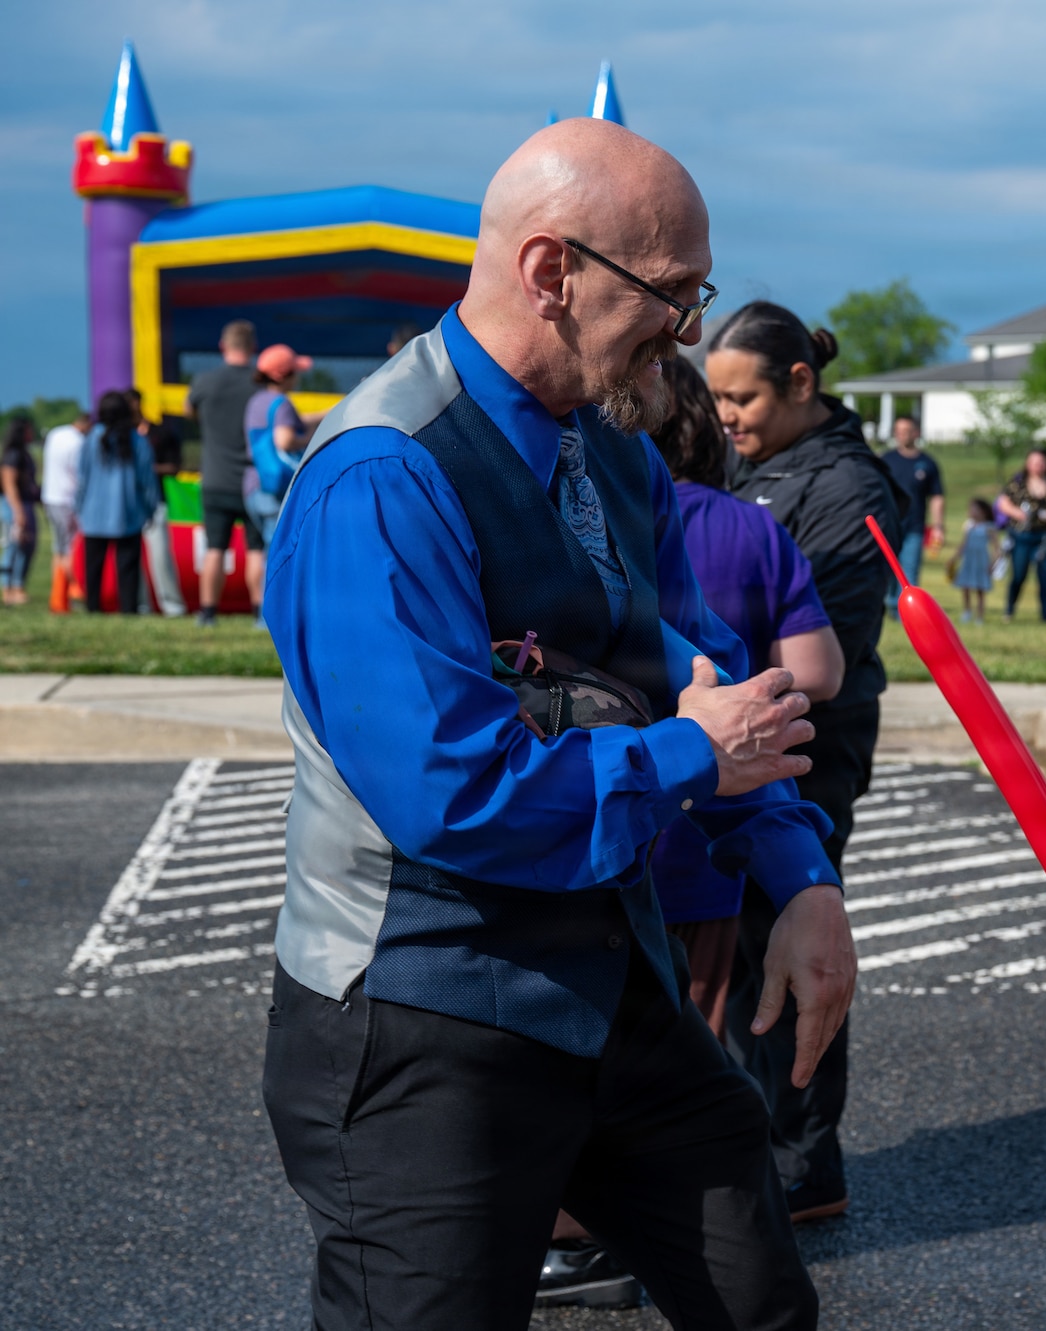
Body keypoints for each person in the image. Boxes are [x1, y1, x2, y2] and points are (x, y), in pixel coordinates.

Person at [259, 118, 849, 1330]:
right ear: (549, 273)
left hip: (607, 982)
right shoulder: (381, 474)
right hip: (422, 1012)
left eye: (700, 295)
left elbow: (706, 672)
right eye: (671, 295)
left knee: (761, 1301)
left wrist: (796, 874)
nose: (688, 332)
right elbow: (449, 792)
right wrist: (690, 752)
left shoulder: (611, 449)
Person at [540, 353, 845, 1310]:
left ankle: (588, 1239)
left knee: (620, 1064)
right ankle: (646, 1234)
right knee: (700, 1038)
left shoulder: (594, 505)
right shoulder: (752, 529)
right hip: (693, 848)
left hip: (625, 845)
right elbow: (810, 673)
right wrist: (722, 733)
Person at [711, 300, 905, 1223]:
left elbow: (822, 646)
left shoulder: (850, 488)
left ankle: (803, 1161)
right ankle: (756, 1135)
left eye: (741, 397)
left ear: (801, 383)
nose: (725, 417)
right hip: (741, 727)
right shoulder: (751, 460)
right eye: (713, 399)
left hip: (810, 745)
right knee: (742, 951)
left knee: (793, 943)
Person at [186, 319, 263, 626]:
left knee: (215, 549)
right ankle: (260, 614)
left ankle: (208, 613)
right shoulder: (260, 383)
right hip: (252, 481)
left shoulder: (204, 382)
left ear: (223, 346)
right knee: (256, 549)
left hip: (215, 479)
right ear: (253, 348)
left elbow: (188, 410)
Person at [74, 390, 159, 614]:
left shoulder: (90, 439)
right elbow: (147, 481)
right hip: (129, 513)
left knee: (93, 568)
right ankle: (128, 609)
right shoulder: (137, 441)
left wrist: (79, 508)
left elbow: (81, 478)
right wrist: (150, 509)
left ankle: (92, 607)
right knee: (128, 568)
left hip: (92, 514)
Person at [241, 345, 328, 548]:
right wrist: (309, 439)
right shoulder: (282, 403)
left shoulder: (257, 400)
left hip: (254, 485)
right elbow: (284, 440)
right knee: (278, 552)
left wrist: (326, 414)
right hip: (274, 489)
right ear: (283, 375)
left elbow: (291, 422)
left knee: (266, 549)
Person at [127, 389, 186, 616]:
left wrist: (146, 470)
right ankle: (140, 605)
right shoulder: (121, 436)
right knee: (132, 557)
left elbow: (174, 466)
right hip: (128, 503)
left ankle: (172, 605)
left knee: (160, 555)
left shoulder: (159, 433)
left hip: (155, 500)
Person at [879, 413, 944, 618]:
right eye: (898, 431)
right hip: (888, 525)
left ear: (916, 433)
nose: (901, 435)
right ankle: (889, 603)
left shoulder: (927, 463)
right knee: (886, 570)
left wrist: (938, 526)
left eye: (906, 431)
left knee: (910, 571)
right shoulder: (886, 460)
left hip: (914, 527)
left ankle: (905, 615)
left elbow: (937, 496)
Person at [998, 446, 1046, 621]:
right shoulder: (1018, 482)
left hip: (1044, 537)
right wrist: (1016, 513)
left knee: (1044, 576)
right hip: (1020, 535)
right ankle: (1009, 610)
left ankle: (1045, 615)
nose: (1037, 465)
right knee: (1018, 575)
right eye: (1033, 462)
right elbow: (1003, 502)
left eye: (1041, 462)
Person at [39, 407, 87, 611]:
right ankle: (74, 591)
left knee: (58, 549)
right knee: (70, 549)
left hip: (50, 497)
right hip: (67, 500)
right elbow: (79, 475)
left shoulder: (55, 433)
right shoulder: (78, 442)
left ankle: (57, 597)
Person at [0, 419, 40, 606]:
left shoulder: (23, 454)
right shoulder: (13, 455)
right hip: (13, 505)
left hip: (25, 504)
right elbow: (9, 485)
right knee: (14, 546)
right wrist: (17, 511)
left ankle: (18, 585)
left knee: (26, 547)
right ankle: (8, 588)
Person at [950, 496, 994, 624]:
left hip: (981, 561)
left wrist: (993, 563)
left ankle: (980, 615)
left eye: (975, 509)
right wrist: (954, 559)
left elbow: (997, 548)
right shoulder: (968, 526)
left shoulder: (989, 527)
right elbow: (963, 545)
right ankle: (967, 611)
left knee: (980, 589)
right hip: (969, 560)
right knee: (966, 586)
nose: (971, 512)